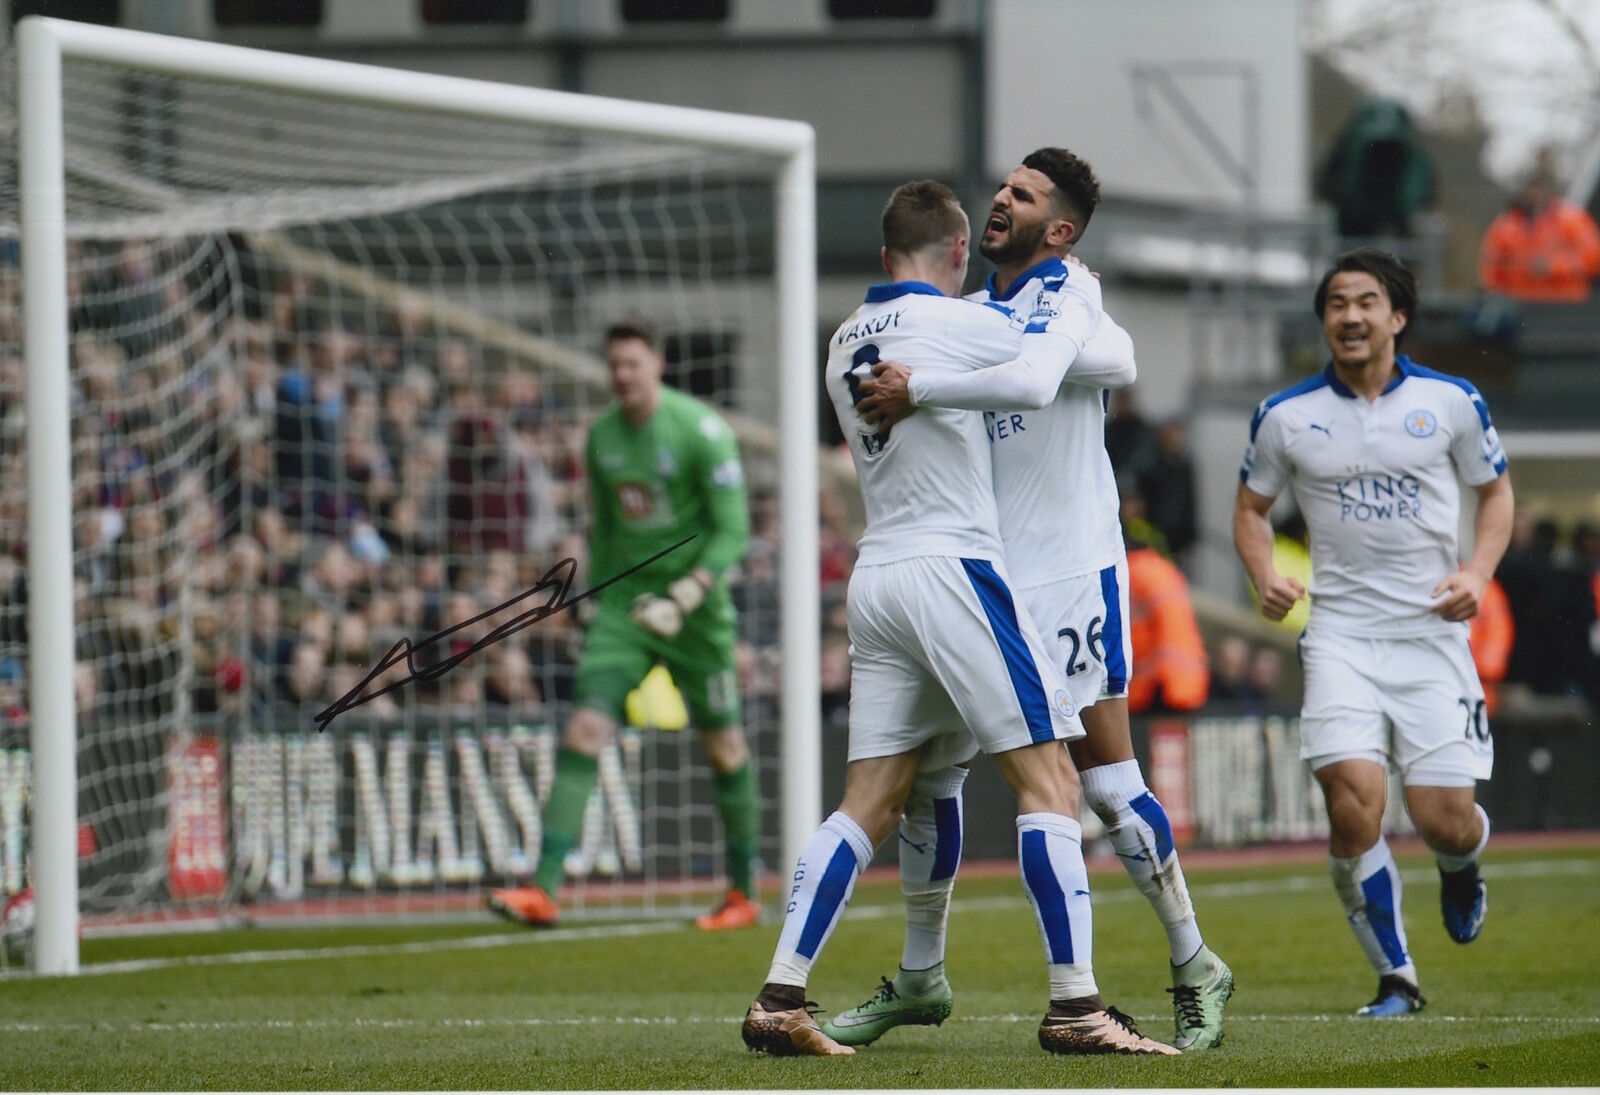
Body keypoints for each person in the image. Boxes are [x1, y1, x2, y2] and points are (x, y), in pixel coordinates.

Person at [741, 179, 1174, 1058]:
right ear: (957, 255)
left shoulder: (841, 342)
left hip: (877, 577)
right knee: (1050, 778)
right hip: (956, 569)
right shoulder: (973, 326)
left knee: (868, 802)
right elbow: (1079, 361)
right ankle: (1076, 1005)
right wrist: (1077, 285)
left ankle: (780, 995)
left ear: (882, 256)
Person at [845, 148, 1231, 1052]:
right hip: (975, 575)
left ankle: (1193, 959)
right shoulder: (974, 313)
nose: (999, 200)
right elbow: (1096, 364)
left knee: (1101, 782)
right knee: (929, 777)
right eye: (1002, 186)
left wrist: (927, 385)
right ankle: (918, 974)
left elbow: (1095, 364)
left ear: (1058, 229)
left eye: (1022, 194)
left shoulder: (1069, 291)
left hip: (1067, 571)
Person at [1233, 247, 1514, 1017]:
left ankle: (1462, 865)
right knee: (1352, 802)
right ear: (1324, 320)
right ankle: (1398, 976)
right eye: (1335, 304)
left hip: (1430, 635)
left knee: (1441, 821)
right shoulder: (1286, 416)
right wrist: (1265, 575)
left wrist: (1479, 574)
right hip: (1342, 636)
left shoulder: (1453, 402)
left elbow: (1495, 496)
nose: (1349, 316)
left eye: (1365, 302)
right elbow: (1251, 512)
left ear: (1396, 318)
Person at [487, 319, 760, 932]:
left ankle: (742, 893)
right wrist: (595, 596)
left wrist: (689, 592)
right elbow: (606, 526)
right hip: (626, 612)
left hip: (696, 614)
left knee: (724, 746)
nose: (622, 375)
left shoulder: (701, 430)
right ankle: (544, 889)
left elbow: (733, 528)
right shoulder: (602, 438)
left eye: (633, 364)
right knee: (584, 727)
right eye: (614, 365)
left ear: (657, 365)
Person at [1478, 166, 1600, 303]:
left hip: (1565, 306)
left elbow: (1593, 258)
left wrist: (1553, 265)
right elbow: (1492, 269)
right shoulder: (1504, 226)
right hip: (1521, 306)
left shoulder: (1571, 219)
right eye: (1530, 187)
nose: (1534, 193)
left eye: (1539, 187)